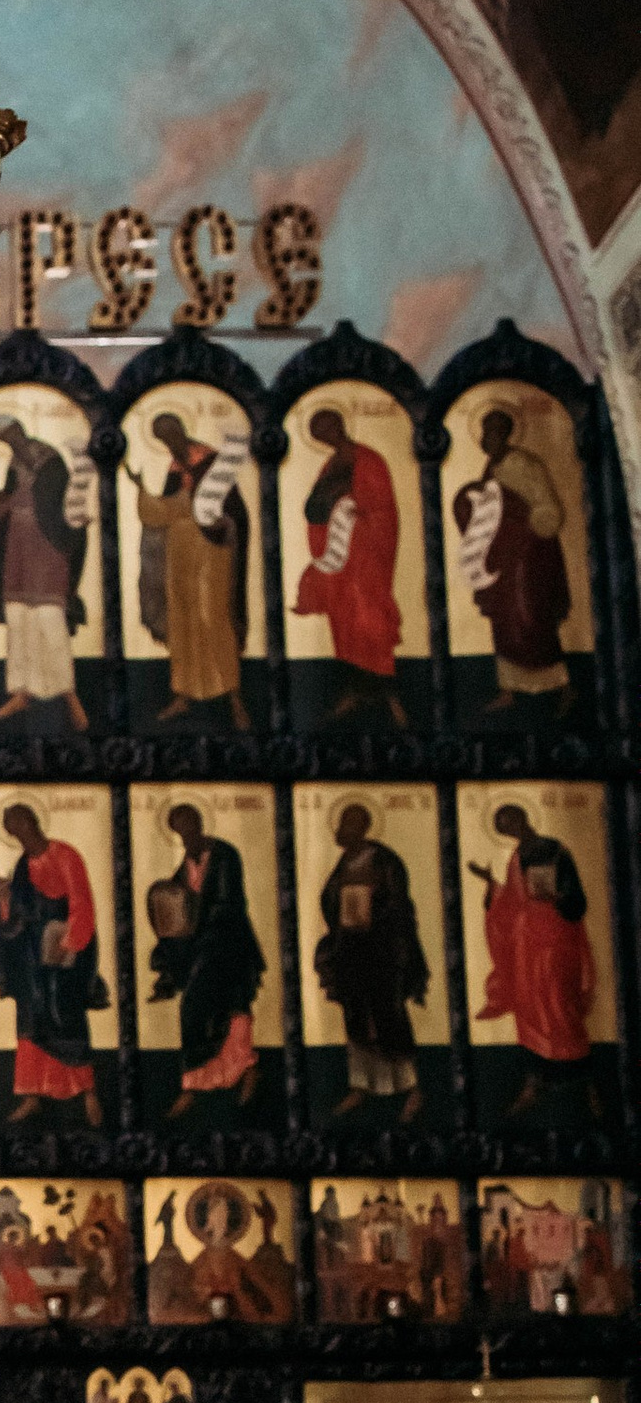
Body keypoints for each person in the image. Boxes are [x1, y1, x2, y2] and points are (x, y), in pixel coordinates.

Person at [472, 801, 599, 1114]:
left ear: (523, 818)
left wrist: (559, 897)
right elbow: (513, 904)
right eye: (502, 827)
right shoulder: (516, 858)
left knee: (561, 1010)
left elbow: (577, 900)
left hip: (557, 943)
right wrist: (490, 884)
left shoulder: (556, 850)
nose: (509, 829)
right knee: (530, 1012)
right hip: (526, 950)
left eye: (510, 821)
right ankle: (534, 1082)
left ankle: (589, 1083)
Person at [0, 801, 106, 1123]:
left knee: (66, 1019)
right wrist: (5, 899)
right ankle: (32, 1095)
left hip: (63, 953)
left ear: (35, 822)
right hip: (31, 960)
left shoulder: (65, 855)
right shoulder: (23, 865)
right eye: (13, 830)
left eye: (23, 825)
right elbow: (19, 915)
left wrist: (68, 946)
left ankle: (88, 1094)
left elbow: (82, 902)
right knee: (29, 1022)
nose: (20, 834)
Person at [311, 798, 429, 1121]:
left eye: (350, 823)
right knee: (356, 1016)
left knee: (389, 1016)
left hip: (382, 951)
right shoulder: (345, 862)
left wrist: (373, 912)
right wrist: (344, 913)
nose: (343, 830)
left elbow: (399, 903)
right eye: (342, 823)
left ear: (362, 826)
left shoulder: (384, 859)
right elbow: (329, 899)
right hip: (351, 950)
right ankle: (361, 1086)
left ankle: (411, 1089)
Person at [132, 411, 249, 727]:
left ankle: (233, 695)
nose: (168, 443)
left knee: (213, 617)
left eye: (170, 435)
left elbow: (234, 509)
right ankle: (183, 693)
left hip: (210, 551)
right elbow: (167, 511)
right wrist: (143, 491)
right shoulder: (174, 467)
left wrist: (222, 523)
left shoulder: (212, 463)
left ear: (181, 430)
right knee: (182, 619)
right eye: (162, 439)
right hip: (179, 551)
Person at [451, 405, 574, 705]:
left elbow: (548, 511)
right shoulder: (493, 466)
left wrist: (517, 530)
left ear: (504, 433)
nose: (486, 438)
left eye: (492, 431)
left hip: (529, 558)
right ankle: (509, 689)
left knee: (532, 619)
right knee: (504, 621)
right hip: (502, 559)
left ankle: (562, 688)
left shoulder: (523, 464)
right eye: (484, 432)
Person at [146, 800, 265, 1107]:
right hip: (201, 948)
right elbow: (174, 901)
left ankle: (242, 1072)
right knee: (212, 1009)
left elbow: (227, 903)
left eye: (188, 825)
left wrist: (191, 914)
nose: (185, 834)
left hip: (230, 945)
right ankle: (198, 1082)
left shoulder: (224, 855)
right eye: (178, 829)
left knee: (208, 1008)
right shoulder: (186, 864)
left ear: (198, 822)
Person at [0, 414, 87, 728]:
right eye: (6, 441)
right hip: (17, 552)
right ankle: (22, 691)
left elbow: (63, 508)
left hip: (48, 551)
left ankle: (69, 695)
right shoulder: (13, 465)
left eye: (13, 436)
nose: (12, 443)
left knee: (50, 621)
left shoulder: (51, 463)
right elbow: (4, 507)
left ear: (21, 431)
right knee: (18, 619)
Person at [295, 407, 405, 720]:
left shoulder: (369, 460)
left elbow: (383, 510)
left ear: (339, 426)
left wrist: (359, 513)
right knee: (345, 625)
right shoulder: (329, 466)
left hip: (367, 558)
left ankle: (391, 697)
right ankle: (354, 693)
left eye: (327, 428)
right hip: (339, 561)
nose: (325, 436)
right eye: (318, 433)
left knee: (372, 622)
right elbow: (316, 509)